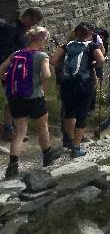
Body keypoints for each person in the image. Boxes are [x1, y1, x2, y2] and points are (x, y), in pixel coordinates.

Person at [0, 26, 63, 178]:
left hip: (16, 97)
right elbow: (47, 74)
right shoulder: (42, 55)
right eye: (46, 39)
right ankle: (47, 159)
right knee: (43, 128)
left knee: (20, 132)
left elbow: (1, 69)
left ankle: (12, 166)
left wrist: (7, 80)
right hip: (35, 97)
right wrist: (38, 83)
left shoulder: (16, 54)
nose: (47, 42)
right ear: (41, 39)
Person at [50, 23, 105, 158]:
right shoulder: (91, 46)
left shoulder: (66, 45)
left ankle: (70, 139)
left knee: (69, 112)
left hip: (67, 83)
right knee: (82, 114)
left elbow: (54, 60)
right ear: (89, 34)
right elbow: (101, 60)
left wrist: (65, 68)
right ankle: (76, 147)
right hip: (84, 83)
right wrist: (92, 65)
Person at [0, 8, 42, 140]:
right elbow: (5, 50)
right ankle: (8, 129)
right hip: (10, 70)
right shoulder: (11, 28)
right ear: (27, 17)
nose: (32, 25)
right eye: (33, 22)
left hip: (18, 70)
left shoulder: (21, 30)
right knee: (13, 99)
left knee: (17, 98)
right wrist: (5, 71)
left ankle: (16, 129)